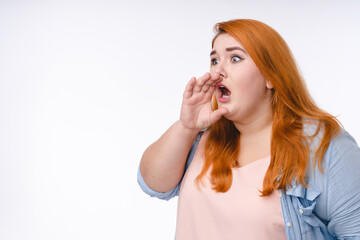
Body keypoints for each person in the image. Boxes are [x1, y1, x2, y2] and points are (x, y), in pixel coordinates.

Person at [137, 19, 360, 240]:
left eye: (235, 58)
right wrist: (186, 127)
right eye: (214, 60)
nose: (218, 72)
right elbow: (153, 185)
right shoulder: (201, 138)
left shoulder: (325, 147)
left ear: (270, 76)